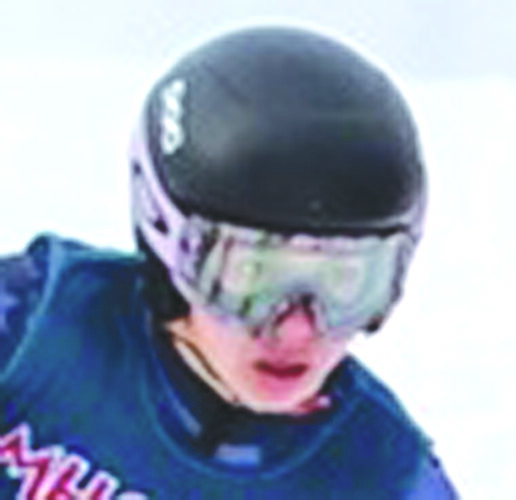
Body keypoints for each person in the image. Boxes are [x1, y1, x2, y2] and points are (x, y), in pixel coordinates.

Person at [0, 26, 458, 499]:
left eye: (343, 282)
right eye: (253, 276)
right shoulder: (35, 333)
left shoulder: (384, 479)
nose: (297, 331)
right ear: (168, 241)